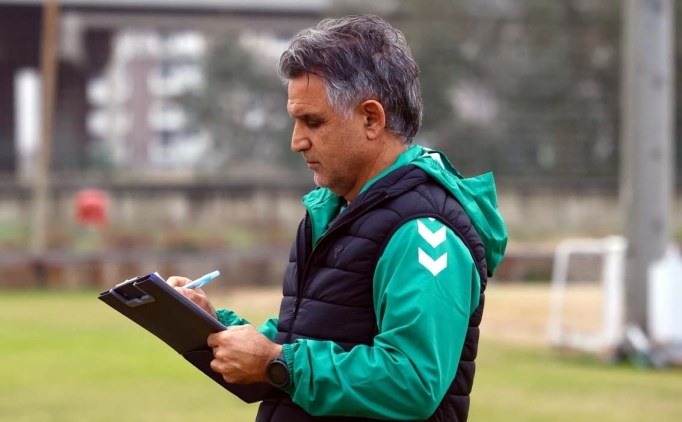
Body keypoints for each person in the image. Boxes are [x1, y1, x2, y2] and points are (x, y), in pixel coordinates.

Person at [168, 14, 507, 422]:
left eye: (313, 122)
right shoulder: (333, 210)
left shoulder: (425, 230)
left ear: (371, 119)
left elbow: (413, 381)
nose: (297, 141)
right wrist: (214, 324)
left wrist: (278, 362)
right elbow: (307, 337)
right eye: (295, 121)